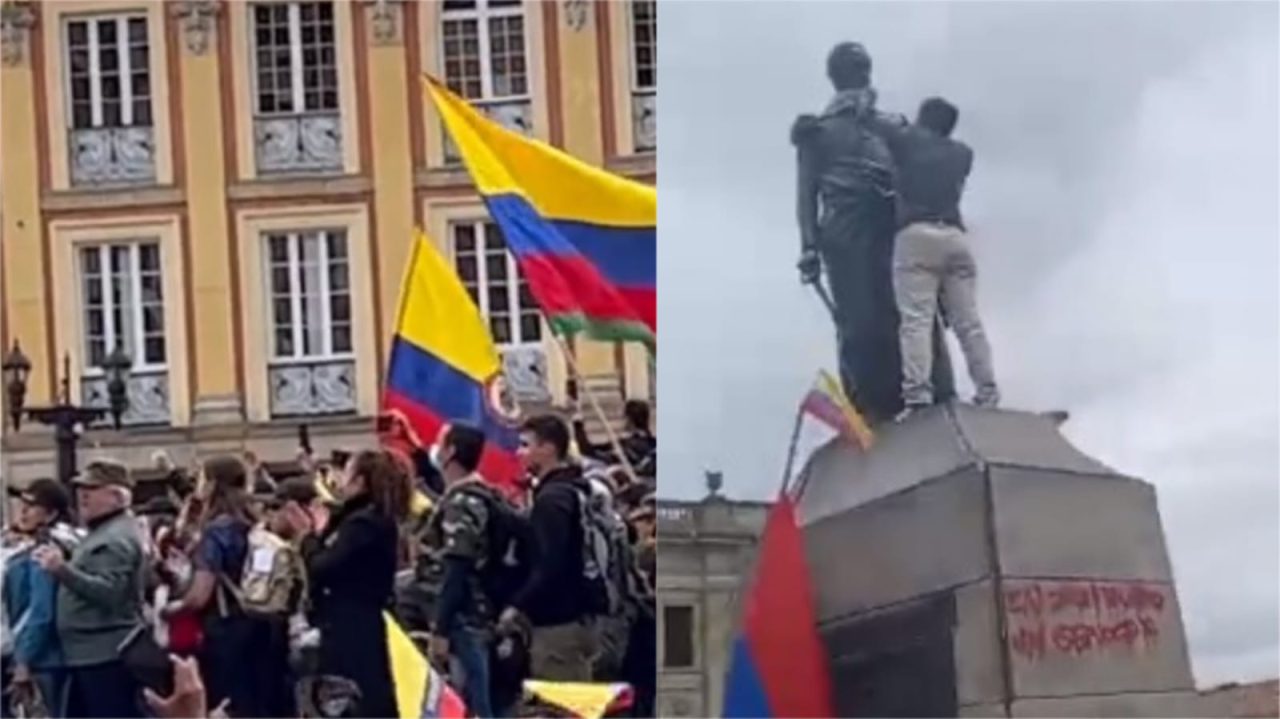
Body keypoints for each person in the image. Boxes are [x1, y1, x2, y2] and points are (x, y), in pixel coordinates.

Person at [793, 42, 956, 423]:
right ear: (839, 78)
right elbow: (806, 194)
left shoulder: (890, 125)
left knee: (913, 313)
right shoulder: (816, 133)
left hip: (893, 228)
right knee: (859, 323)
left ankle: (937, 395)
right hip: (846, 237)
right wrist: (809, 247)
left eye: (862, 70)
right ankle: (869, 409)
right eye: (853, 71)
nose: (860, 77)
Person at [876, 97, 999, 418]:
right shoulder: (962, 154)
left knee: (916, 320)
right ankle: (987, 390)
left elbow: (875, 124)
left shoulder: (907, 141)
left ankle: (917, 397)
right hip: (956, 239)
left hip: (916, 236)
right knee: (968, 322)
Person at [301, 449, 409, 718]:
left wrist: (312, 536)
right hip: (360, 622)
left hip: (352, 627)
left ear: (360, 481)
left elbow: (325, 567)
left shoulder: (364, 524)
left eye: (347, 474)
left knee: (353, 699)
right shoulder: (369, 519)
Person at [34, 460, 146, 719]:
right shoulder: (104, 533)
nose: (83, 495)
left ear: (117, 496)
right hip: (90, 652)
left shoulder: (115, 538)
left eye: (93, 488)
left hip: (103, 653)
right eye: (81, 488)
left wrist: (61, 569)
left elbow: (111, 593)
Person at [500, 415, 601, 681]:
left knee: (561, 701)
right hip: (581, 617)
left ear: (547, 449)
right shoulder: (576, 489)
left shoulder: (552, 501)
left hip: (558, 624)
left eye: (525, 445)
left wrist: (516, 604)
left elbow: (549, 564)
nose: (518, 453)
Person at [160, 455, 259, 717]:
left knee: (224, 704)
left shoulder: (216, 531)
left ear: (213, 484)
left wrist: (169, 610)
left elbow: (199, 596)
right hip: (260, 622)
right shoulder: (255, 521)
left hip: (224, 626)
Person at [424, 424, 506, 717]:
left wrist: (441, 627)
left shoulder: (462, 502)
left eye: (439, 442)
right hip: (482, 612)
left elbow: (456, 566)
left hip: (464, 616)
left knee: (471, 704)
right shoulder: (486, 495)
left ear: (451, 452)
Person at [3, 479, 80, 717]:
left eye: (32, 506)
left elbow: (40, 611)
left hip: (43, 658)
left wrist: (24, 660)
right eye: (22, 504)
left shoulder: (44, 550)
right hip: (47, 656)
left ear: (50, 515)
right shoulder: (59, 543)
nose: (22, 511)